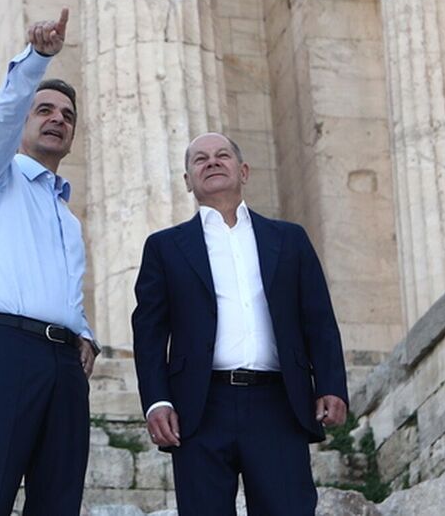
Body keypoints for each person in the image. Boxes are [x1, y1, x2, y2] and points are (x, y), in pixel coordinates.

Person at [131, 132, 349, 515]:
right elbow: (149, 332)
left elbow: (318, 318)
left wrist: (331, 384)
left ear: (244, 171)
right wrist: (157, 401)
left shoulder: (290, 239)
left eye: (222, 155)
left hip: (278, 403)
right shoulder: (164, 247)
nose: (212, 162)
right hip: (199, 408)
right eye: (200, 159)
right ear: (187, 180)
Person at [0, 8, 100, 516]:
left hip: (63, 363)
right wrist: (37, 59)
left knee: (60, 500)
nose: (58, 119)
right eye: (45, 110)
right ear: (23, 122)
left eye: (68, 116)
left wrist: (85, 333)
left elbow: (65, 286)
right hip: (5, 348)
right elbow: (0, 115)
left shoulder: (67, 216)